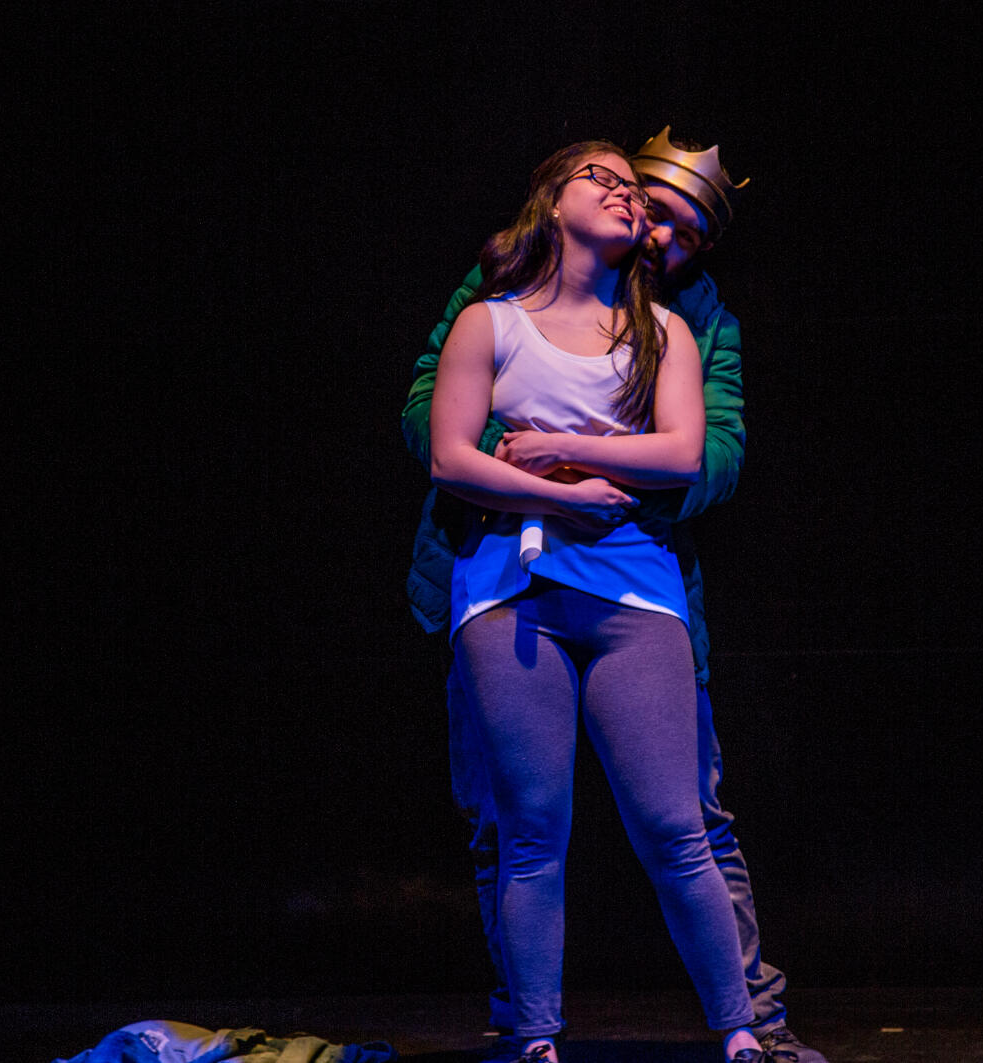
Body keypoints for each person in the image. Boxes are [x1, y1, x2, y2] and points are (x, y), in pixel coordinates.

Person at [402, 131, 827, 1063]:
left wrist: (565, 456)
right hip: (504, 578)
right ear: (555, 199)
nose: (652, 227)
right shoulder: (494, 301)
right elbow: (437, 431)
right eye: (636, 197)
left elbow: (704, 456)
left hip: (634, 579)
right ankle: (529, 1029)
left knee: (685, 822)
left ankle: (754, 1027)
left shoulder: (686, 324)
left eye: (679, 227)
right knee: (517, 827)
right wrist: (532, 479)